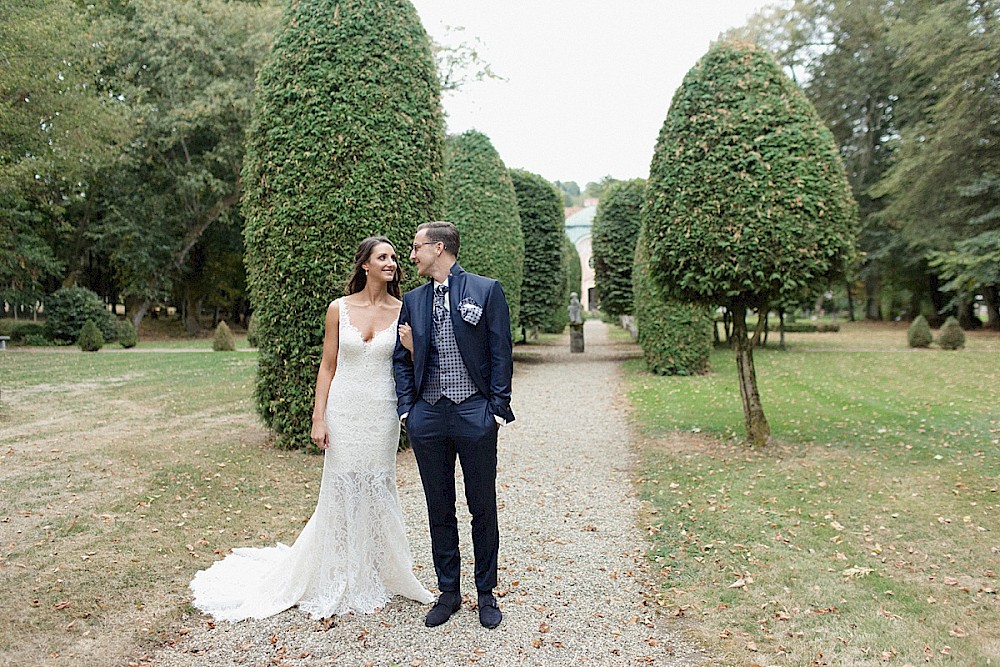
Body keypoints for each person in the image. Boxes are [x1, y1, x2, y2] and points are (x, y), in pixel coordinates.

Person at [189, 237, 433, 621]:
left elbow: (414, 368)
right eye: (383, 257)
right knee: (341, 485)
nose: (392, 263)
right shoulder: (338, 309)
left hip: (381, 412)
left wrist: (415, 347)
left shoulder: (405, 311)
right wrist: (319, 417)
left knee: (376, 485)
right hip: (344, 408)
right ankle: (338, 571)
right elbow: (327, 367)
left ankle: (375, 571)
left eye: (394, 258)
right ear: (365, 265)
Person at [393, 221, 515, 629]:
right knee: (438, 506)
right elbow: (401, 359)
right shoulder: (412, 300)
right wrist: (409, 409)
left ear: (439, 248)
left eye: (416, 247)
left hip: (474, 412)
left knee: (481, 506)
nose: (411, 255)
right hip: (429, 415)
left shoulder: (485, 290)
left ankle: (486, 593)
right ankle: (448, 591)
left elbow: (501, 350)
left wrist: (496, 409)